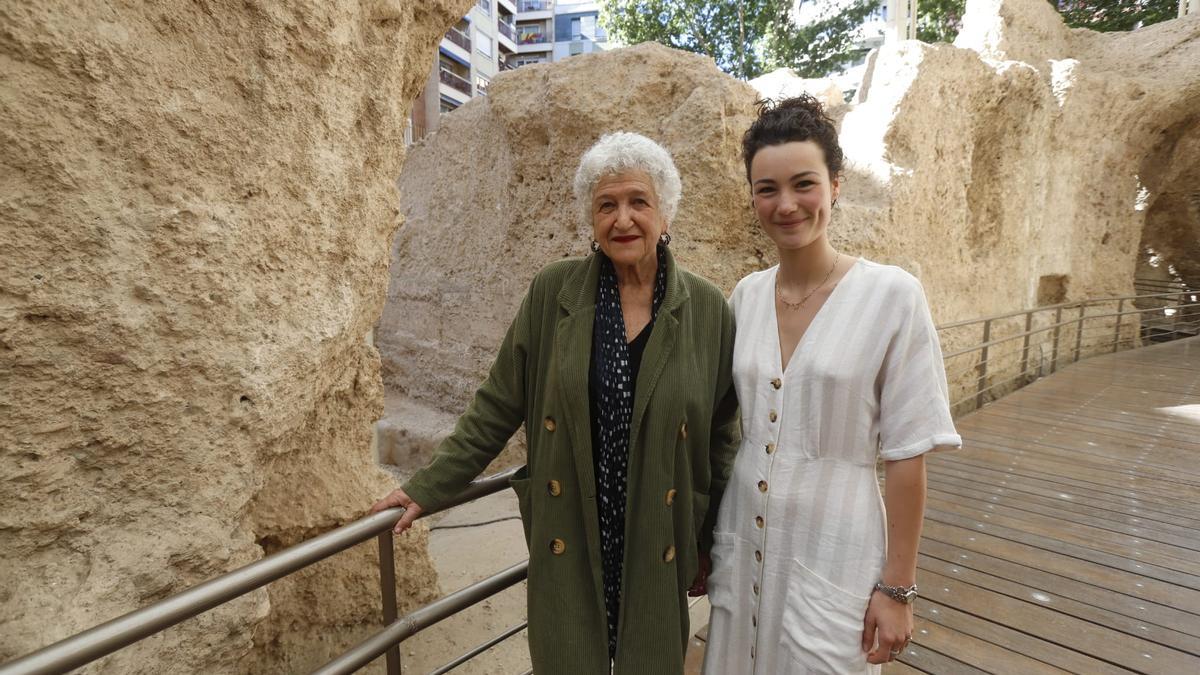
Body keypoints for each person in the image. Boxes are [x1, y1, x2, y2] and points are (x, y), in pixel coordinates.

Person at [371, 132, 740, 674]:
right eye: (606, 205)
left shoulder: (708, 309)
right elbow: (498, 404)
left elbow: (720, 438)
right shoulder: (555, 293)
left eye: (639, 202)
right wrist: (428, 487)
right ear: (590, 221)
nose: (623, 220)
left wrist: (708, 541)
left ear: (665, 216)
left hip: (656, 533)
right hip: (573, 523)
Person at [701, 96, 962, 674]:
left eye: (804, 184)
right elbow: (716, 421)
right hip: (742, 529)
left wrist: (898, 588)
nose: (786, 204)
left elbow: (906, 453)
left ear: (836, 185)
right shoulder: (744, 297)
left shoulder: (892, 296)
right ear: (751, 197)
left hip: (836, 540)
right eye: (767, 189)